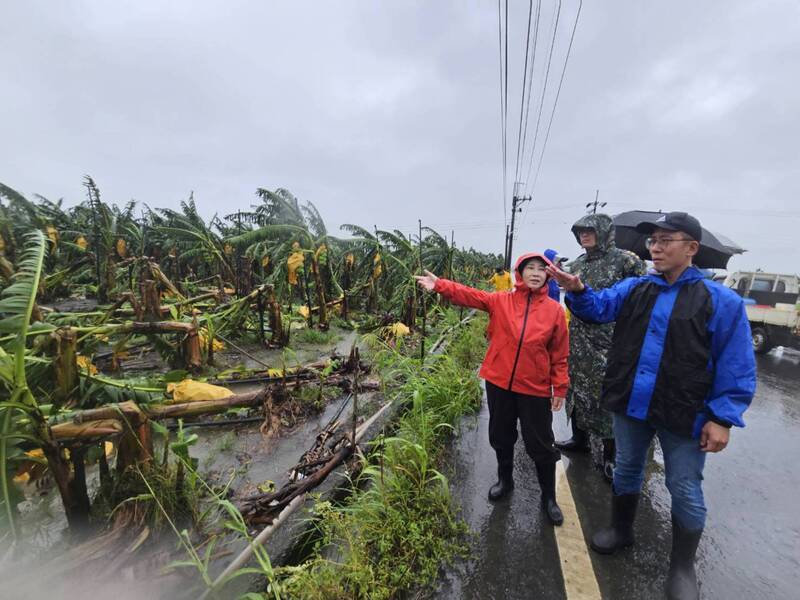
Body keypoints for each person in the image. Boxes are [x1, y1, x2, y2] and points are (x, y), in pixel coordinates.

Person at [547, 212, 756, 600]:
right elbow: (598, 309)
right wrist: (577, 290)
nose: (655, 248)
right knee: (627, 467)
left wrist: (723, 418)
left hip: (686, 411)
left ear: (691, 248)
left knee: (684, 484)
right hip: (632, 403)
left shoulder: (720, 301)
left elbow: (737, 364)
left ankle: (682, 566)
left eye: (666, 240)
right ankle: (621, 529)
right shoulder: (636, 288)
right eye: (652, 241)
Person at [415, 252, 569, 525]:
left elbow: (559, 353)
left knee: (541, 443)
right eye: (529, 268)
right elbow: (470, 295)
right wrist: (440, 285)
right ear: (518, 274)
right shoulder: (501, 301)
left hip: (534, 387)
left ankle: (548, 497)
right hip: (499, 382)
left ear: (548, 275)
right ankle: (505, 480)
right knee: (501, 434)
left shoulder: (555, 311)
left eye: (540, 269)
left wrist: (560, 388)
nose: (535, 273)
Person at [555, 213, 646, 483]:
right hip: (579, 339)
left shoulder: (625, 260)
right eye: (580, 231)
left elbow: (642, 295)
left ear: (604, 231)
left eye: (590, 230)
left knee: (607, 397)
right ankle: (579, 439)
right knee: (577, 391)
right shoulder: (578, 263)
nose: (584, 235)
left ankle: (611, 455)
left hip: (610, 341)